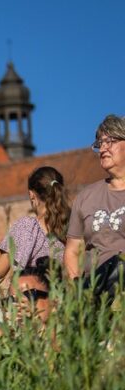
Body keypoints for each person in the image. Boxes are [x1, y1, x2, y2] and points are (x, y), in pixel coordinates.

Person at [65, 115, 125, 280]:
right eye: (100, 143)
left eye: (110, 141)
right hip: (95, 291)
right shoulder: (86, 197)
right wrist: (76, 291)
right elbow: (73, 250)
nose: (103, 148)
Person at [0, 166, 69, 280]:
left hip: (30, 295)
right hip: (59, 296)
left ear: (31, 194)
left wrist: (1, 248)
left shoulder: (26, 226)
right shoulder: (70, 226)